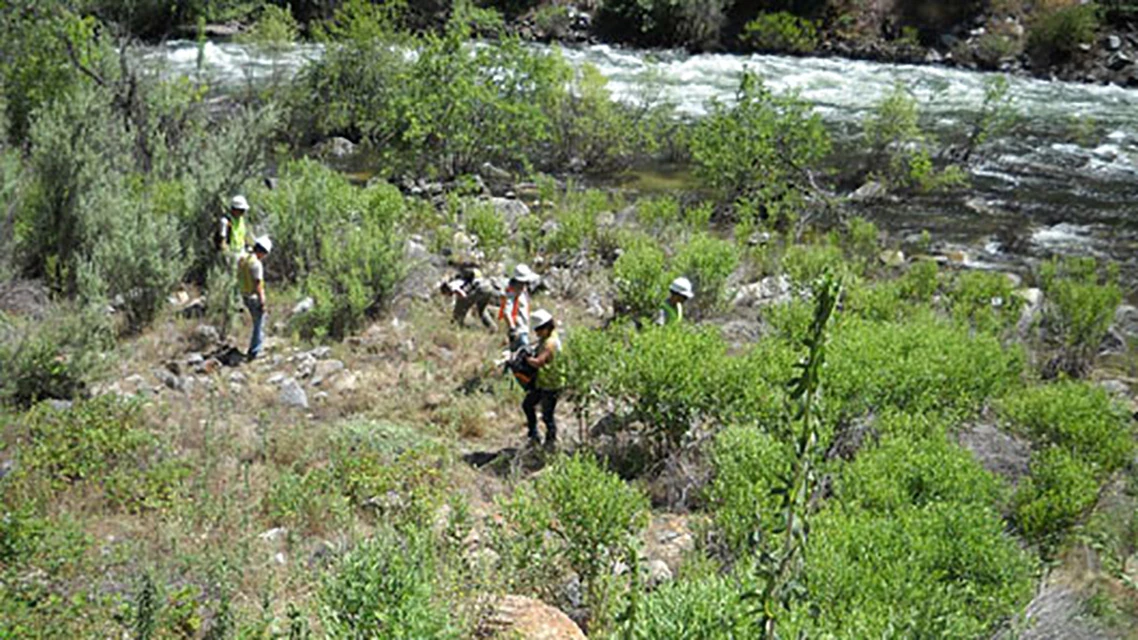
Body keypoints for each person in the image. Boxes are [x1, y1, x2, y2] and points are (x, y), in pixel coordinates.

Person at [522, 309, 563, 450]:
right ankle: (533, 435)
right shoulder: (549, 337)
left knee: (547, 414)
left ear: (546, 327)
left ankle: (551, 441)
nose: (537, 333)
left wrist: (526, 360)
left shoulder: (550, 343)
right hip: (543, 381)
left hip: (551, 383)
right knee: (528, 404)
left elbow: (539, 362)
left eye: (539, 330)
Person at [238, 236, 271, 361]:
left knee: (257, 322)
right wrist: (262, 300)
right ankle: (254, 351)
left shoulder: (244, 258)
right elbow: (258, 285)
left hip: (244, 294)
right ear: (262, 251)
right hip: (253, 297)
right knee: (259, 323)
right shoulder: (256, 264)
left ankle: (255, 348)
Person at [439, 263, 497, 329]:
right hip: (488, 287)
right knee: (482, 310)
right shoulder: (462, 279)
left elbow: (462, 295)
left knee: (460, 304)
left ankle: (456, 325)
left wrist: (461, 309)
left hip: (479, 289)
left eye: (445, 293)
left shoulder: (452, 285)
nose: (448, 295)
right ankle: (492, 327)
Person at [499, 263, 539, 349]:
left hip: (524, 329)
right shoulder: (511, 292)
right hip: (519, 331)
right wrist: (512, 328)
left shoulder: (522, 291)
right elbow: (506, 312)